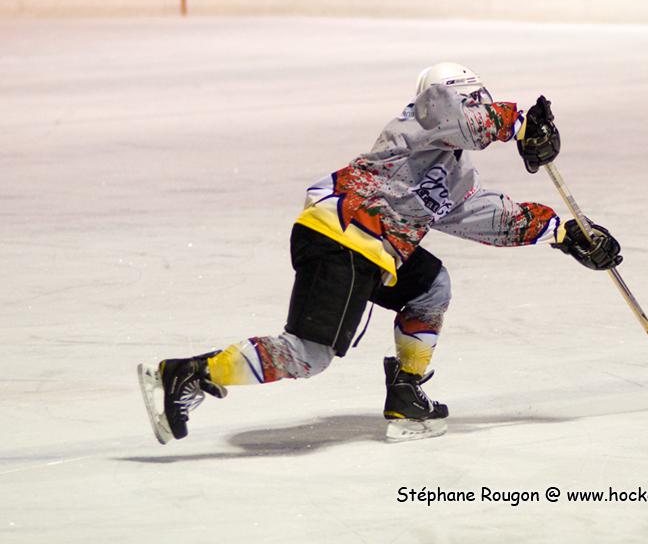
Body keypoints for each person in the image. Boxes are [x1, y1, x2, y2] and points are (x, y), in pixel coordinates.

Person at [137, 62, 623, 444]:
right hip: (341, 236)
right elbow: (460, 118)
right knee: (309, 355)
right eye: (471, 98)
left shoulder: (454, 172)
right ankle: (189, 373)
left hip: (373, 249)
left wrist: (563, 233)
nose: (478, 106)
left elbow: (486, 215)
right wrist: (517, 122)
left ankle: (406, 392)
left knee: (431, 287)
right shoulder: (419, 121)